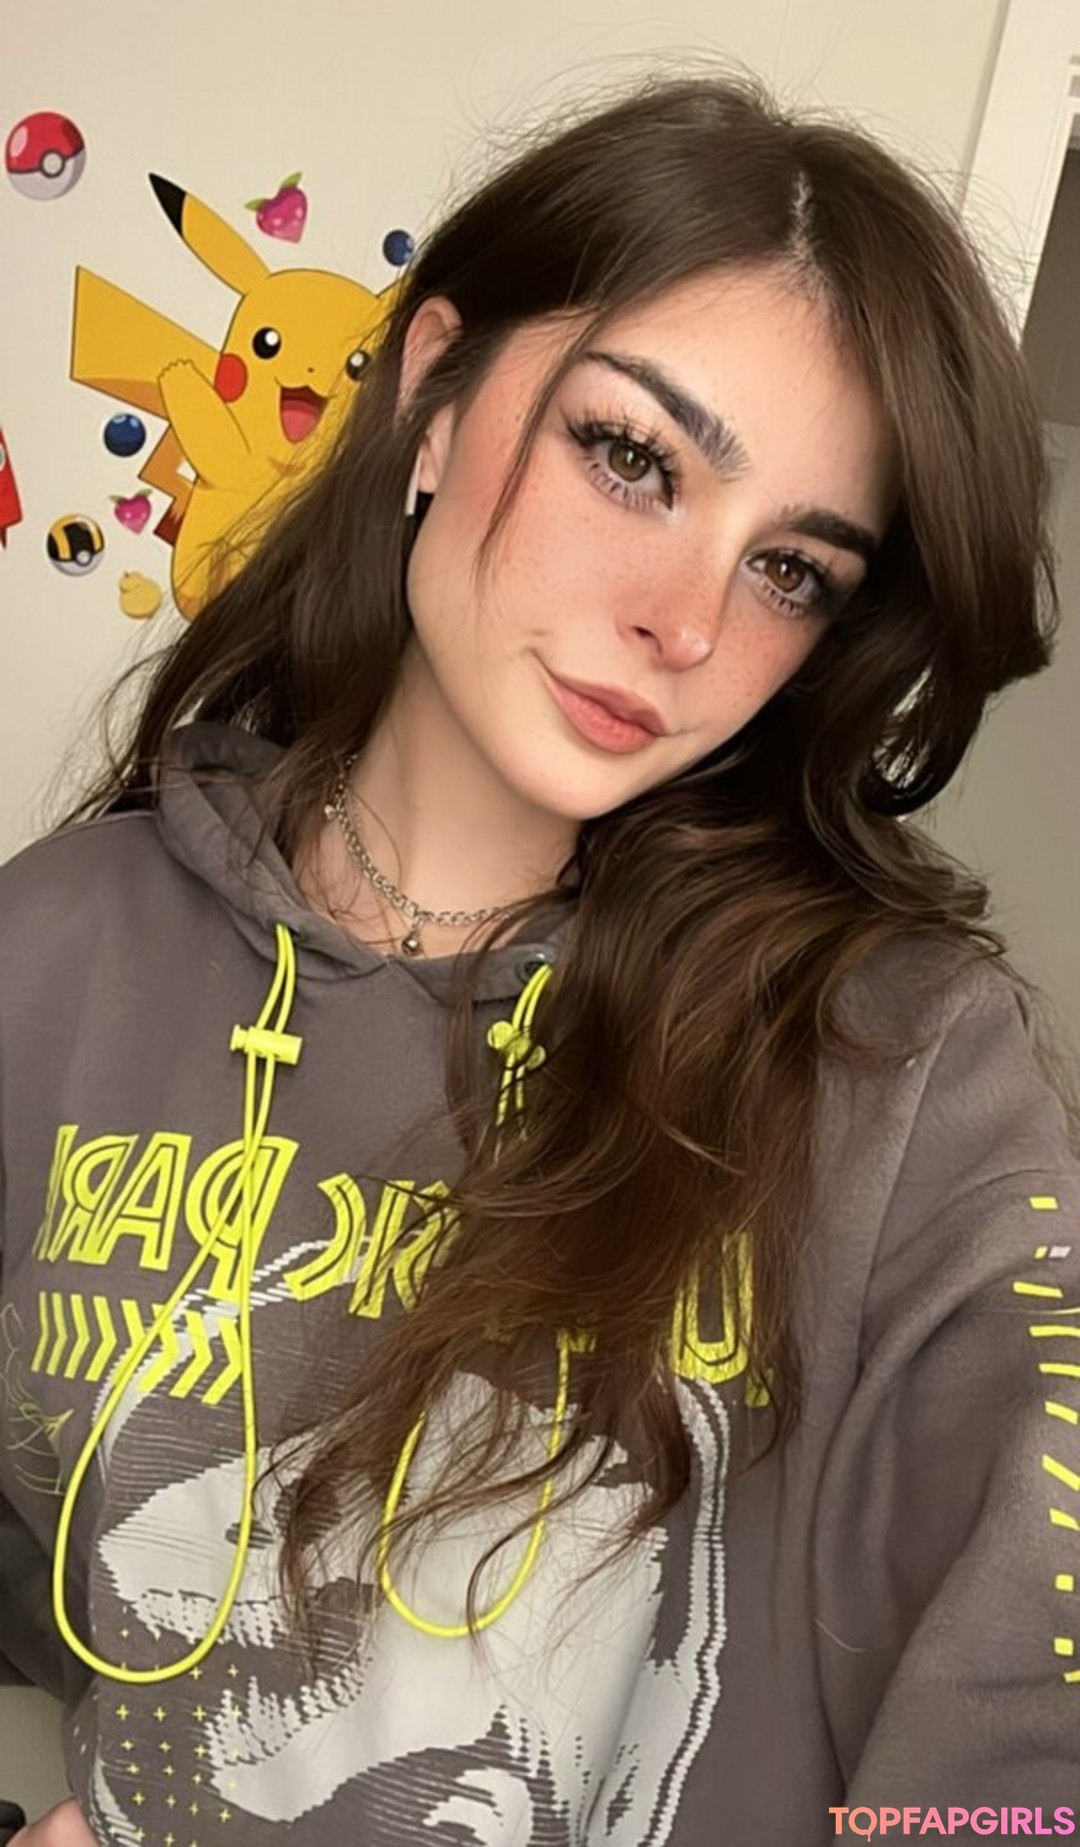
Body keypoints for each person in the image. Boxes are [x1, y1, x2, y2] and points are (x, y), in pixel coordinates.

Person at [0, 68, 1076, 1847]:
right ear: (434, 390)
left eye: (793, 571)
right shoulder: (51, 956)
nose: (688, 622)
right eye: (634, 459)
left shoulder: (902, 1070)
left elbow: (1031, 1721)